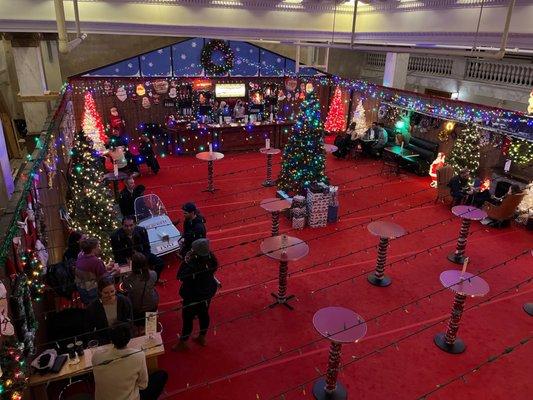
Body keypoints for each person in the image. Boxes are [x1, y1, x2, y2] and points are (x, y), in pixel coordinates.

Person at [92, 322, 168, 400]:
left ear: (111, 339)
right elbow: (143, 385)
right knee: (162, 375)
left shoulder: (97, 355)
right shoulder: (138, 356)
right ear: (129, 338)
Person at [172, 239, 218, 351]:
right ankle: (202, 336)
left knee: (187, 318)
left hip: (193, 295)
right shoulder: (211, 259)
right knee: (204, 314)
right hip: (207, 292)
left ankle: (183, 342)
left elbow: (180, 276)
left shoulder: (193, 265)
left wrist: (185, 261)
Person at [111, 216, 166, 284]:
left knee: (160, 263)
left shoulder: (142, 230)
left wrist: (144, 259)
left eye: (131, 225)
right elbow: (118, 255)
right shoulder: (115, 236)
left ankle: (153, 281)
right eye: (126, 226)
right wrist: (128, 264)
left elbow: (147, 247)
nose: (129, 228)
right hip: (127, 259)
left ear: (135, 224)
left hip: (141, 256)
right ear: (122, 225)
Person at [86, 276, 133, 345]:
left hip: (122, 337)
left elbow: (130, 322)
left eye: (112, 291)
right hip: (104, 340)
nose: (110, 295)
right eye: (106, 293)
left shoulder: (124, 301)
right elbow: (89, 329)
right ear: (100, 292)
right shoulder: (93, 307)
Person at [123, 252, 159, 327]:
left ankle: (139, 329)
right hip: (152, 305)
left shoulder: (127, 279)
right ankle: (151, 330)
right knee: (150, 327)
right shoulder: (153, 274)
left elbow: (128, 290)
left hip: (136, 308)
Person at [75, 237, 109, 305]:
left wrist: (106, 267)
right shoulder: (96, 262)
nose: (100, 248)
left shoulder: (80, 257)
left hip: (83, 293)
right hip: (94, 294)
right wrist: (114, 271)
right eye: (98, 246)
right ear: (93, 249)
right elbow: (104, 279)